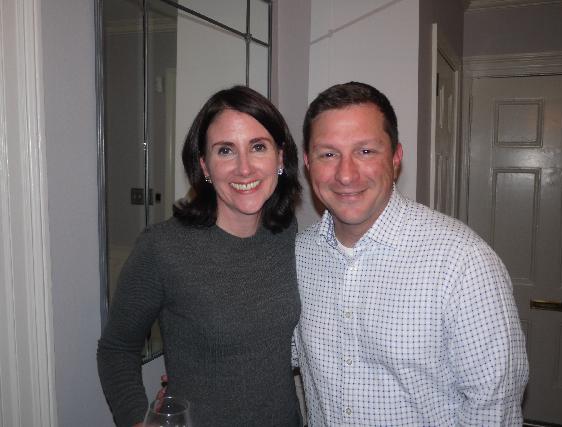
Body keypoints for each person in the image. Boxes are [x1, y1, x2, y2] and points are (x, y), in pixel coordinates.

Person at [292, 81, 528, 426]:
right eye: (328, 154)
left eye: (365, 151)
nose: (346, 174)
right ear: (307, 163)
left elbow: (493, 408)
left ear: (396, 158)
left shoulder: (464, 262)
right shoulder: (298, 257)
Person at [97, 85, 302, 427]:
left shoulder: (288, 235)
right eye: (225, 150)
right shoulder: (163, 247)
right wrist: (138, 420)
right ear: (204, 166)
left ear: (280, 158)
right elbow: (117, 348)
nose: (244, 168)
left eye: (258, 147)